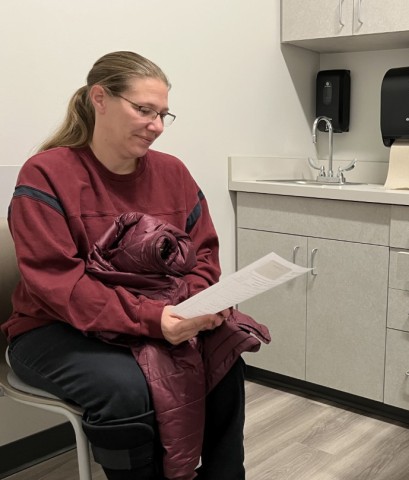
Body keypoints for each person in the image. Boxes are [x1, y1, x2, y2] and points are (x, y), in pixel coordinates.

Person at [2, 51, 268, 480]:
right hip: (53, 327)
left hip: (158, 315)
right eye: (144, 110)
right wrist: (154, 319)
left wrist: (191, 307)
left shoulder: (173, 173)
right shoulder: (46, 174)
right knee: (126, 388)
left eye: (164, 114)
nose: (157, 126)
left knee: (226, 353)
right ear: (99, 98)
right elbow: (60, 285)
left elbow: (204, 255)